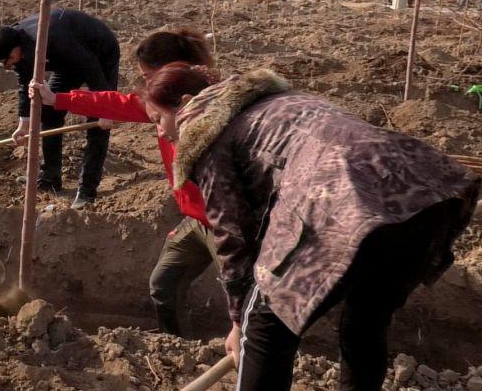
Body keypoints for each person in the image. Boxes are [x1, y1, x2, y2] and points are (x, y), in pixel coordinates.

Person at [144, 64, 479, 391]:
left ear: (186, 102)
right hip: (423, 194)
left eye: (159, 119)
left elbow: (231, 233)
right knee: (365, 321)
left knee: (263, 325)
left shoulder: (208, 135)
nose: (160, 131)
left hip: (340, 200)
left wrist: (237, 321)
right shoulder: (275, 102)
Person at [30, 29, 218, 334]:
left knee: (250, 301)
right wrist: (58, 99)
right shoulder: (163, 101)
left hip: (228, 221)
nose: (160, 130)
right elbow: (119, 103)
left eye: (147, 76)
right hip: (197, 219)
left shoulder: (208, 110)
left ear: (170, 72)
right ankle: (175, 344)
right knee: (164, 284)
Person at [0, 8, 119, 209]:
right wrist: (23, 123)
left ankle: (87, 190)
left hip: (99, 51)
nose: (7, 66)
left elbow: (91, 68)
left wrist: (106, 109)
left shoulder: (51, 37)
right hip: (67, 61)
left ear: (14, 49)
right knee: (48, 110)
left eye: (6, 61)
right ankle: (50, 179)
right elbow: (25, 83)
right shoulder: (17, 46)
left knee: (96, 123)